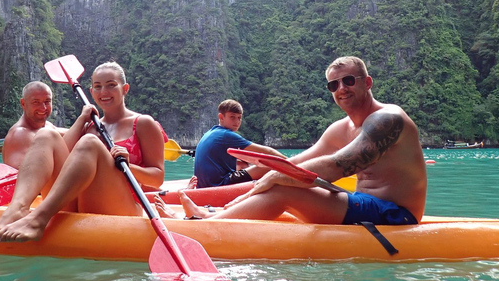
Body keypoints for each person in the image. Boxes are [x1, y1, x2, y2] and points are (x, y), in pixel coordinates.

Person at [158, 56, 427, 226]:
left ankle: (205, 224)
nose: (341, 88)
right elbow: (298, 160)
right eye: (333, 85)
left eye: (348, 80)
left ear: (367, 82)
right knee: (276, 182)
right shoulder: (341, 128)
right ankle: (209, 215)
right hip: (362, 202)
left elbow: (336, 166)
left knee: (284, 189)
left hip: (396, 214)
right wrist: (266, 174)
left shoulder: (387, 119)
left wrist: (277, 178)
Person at [0, 62, 165, 243]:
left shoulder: (143, 123)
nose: (103, 92)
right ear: (91, 92)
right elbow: (59, 157)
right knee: (46, 134)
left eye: (111, 85)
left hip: (124, 206)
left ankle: (38, 219)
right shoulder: (91, 126)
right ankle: (17, 208)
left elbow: (157, 179)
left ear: (125, 88)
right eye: (98, 86)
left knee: (90, 143)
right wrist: (82, 120)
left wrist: (129, 166)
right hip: (80, 201)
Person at [191, 99, 286, 188]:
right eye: (232, 117)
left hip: (204, 186)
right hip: (220, 184)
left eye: (239, 118)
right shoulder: (226, 135)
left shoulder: (211, 133)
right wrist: (291, 163)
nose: (237, 122)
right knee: (272, 166)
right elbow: (268, 151)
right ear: (221, 117)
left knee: (242, 164)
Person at [1, 81, 62, 169]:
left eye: (47, 101)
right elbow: (21, 174)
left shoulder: (48, 126)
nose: (43, 108)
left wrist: (84, 119)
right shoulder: (19, 135)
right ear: (23, 103)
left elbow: (70, 133)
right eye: (36, 102)